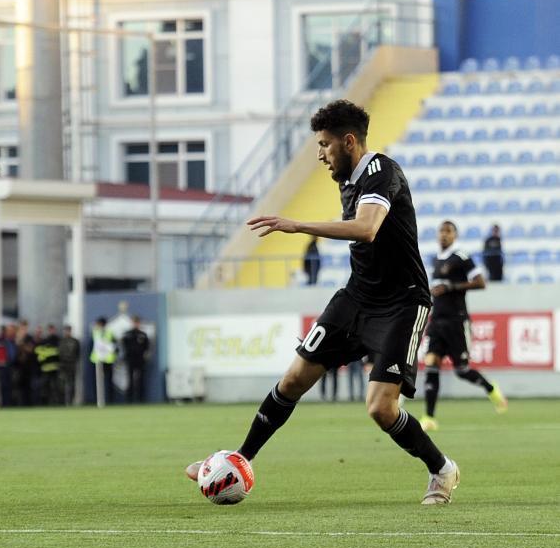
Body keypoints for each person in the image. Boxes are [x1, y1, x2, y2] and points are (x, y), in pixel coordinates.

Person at [186, 100, 459, 505]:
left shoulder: (381, 172)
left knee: (380, 409)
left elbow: (366, 228)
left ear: (349, 142)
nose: (320, 154)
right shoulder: (346, 181)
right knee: (293, 380)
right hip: (357, 297)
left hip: (402, 303)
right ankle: (240, 459)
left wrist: (297, 225)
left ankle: (442, 469)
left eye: (325, 144)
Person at [421, 220, 508, 431]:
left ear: (455, 235)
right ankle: (429, 418)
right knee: (431, 364)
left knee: (462, 370)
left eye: (448, 231)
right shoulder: (435, 259)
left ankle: (490, 388)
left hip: (456, 321)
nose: (444, 234)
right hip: (437, 321)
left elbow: (480, 282)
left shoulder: (461, 257)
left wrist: (451, 286)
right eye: (441, 231)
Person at [121, 316, 150, 403]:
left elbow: (146, 347)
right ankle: (129, 399)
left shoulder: (143, 334)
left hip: (140, 359)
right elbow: (124, 346)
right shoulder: (127, 334)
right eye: (134, 322)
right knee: (130, 379)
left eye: (137, 322)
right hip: (130, 359)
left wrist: (143, 355)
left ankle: (141, 398)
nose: (136, 324)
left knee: (141, 379)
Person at [90, 317, 117, 405]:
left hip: (108, 360)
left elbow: (115, 346)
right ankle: (97, 400)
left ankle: (110, 400)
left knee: (109, 381)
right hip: (97, 360)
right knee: (97, 382)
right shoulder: (95, 333)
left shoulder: (110, 333)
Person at [35, 324, 61, 405]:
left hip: (55, 368)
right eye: (50, 330)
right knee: (45, 387)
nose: (51, 331)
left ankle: (56, 402)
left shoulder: (58, 340)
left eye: (52, 329)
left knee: (55, 387)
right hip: (45, 368)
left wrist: (47, 353)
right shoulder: (45, 341)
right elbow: (38, 352)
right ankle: (45, 402)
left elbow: (59, 353)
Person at [57, 325, 81, 405]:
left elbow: (78, 354)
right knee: (62, 384)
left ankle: (70, 401)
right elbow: (59, 353)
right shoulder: (61, 341)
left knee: (71, 384)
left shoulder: (75, 341)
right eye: (66, 330)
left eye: (68, 330)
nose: (67, 332)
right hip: (63, 365)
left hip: (72, 365)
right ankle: (62, 401)